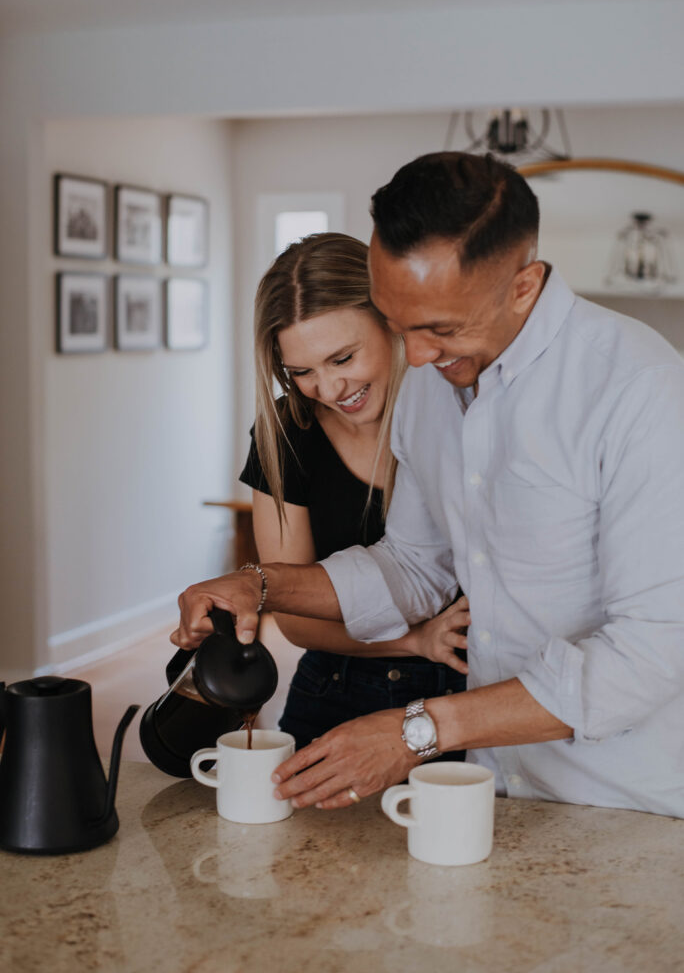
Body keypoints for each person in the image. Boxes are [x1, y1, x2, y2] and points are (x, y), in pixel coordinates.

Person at [173, 152, 684, 819]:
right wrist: (262, 585)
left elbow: (651, 650)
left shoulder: (639, 387)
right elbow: (413, 566)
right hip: (487, 786)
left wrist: (420, 727)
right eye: (397, 322)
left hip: (618, 798)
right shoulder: (433, 387)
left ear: (524, 286)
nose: (414, 356)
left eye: (440, 328)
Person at [238, 232, 468, 751]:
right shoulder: (286, 433)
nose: (329, 388)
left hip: (475, 694)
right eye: (302, 372)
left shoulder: (463, 406)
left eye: (342, 358)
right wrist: (412, 642)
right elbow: (295, 618)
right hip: (337, 689)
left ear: (391, 320)